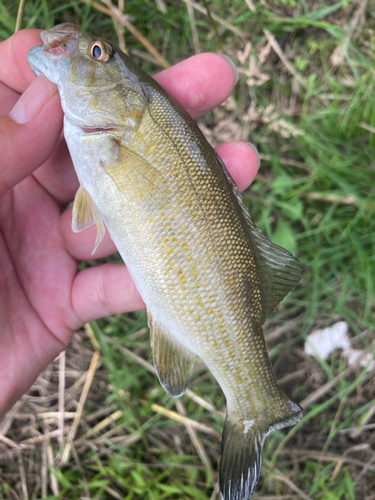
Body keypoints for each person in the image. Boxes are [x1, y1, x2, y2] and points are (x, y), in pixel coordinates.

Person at [0, 29, 260, 418]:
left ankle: (253, 403)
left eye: (98, 53)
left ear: (129, 97)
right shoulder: (107, 132)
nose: (86, 52)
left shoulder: (124, 130)